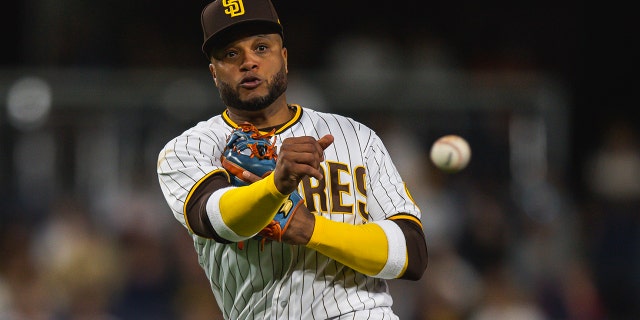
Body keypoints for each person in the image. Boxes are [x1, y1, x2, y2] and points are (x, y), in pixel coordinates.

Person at [156, 0, 428, 318]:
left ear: (284, 58)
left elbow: (411, 254)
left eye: (261, 47)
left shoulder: (355, 136)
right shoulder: (188, 149)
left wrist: (311, 229)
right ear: (214, 73)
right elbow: (215, 219)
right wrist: (276, 186)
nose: (248, 62)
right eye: (231, 53)